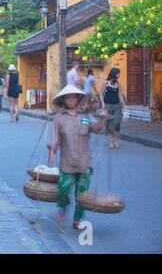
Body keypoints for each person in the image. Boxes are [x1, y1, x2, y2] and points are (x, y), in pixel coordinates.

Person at [48, 84, 108, 230]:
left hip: (84, 162)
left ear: (77, 99)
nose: (71, 100)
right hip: (67, 162)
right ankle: (63, 209)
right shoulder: (59, 118)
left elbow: (96, 129)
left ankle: (77, 219)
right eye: (68, 98)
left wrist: (103, 119)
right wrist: (52, 152)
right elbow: (56, 138)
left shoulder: (85, 116)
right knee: (62, 190)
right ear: (64, 100)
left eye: (74, 97)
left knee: (81, 195)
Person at [99, 68, 126, 149]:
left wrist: (124, 105)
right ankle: (110, 143)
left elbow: (120, 95)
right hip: (108, 106)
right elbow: (100, 94)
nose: (119, 75)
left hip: (117, 106)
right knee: (109, 124)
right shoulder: (105, 83)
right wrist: (103, 104)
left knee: (117, 124)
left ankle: (116, 142)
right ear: (114, 74)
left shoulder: (118, 83)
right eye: (118, 73)